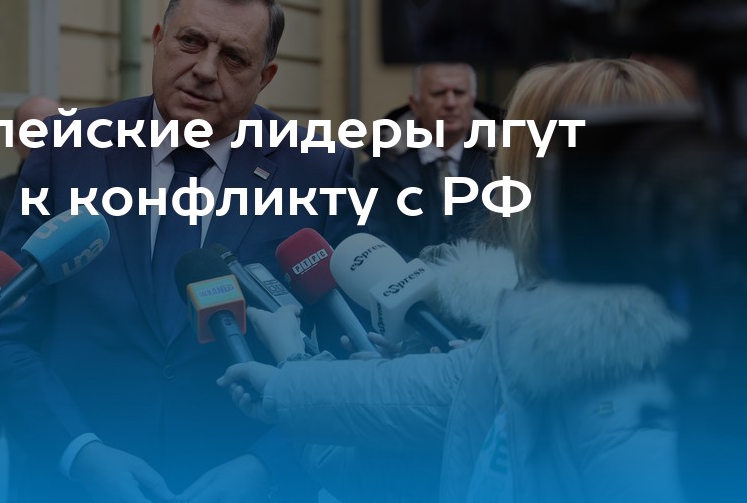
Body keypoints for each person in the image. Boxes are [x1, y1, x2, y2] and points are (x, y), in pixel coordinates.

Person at [220, 59, 690, 503]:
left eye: (515, 153)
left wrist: (287, 372)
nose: (499, 165)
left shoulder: (596, 354)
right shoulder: (537, 329)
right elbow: (389, 443)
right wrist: (298, 368)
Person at [0, 0, 359, 502]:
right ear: (158, 40)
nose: (204, 70)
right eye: (190, 41)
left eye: (233, 57)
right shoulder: (67, 151)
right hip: (76, 484)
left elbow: (352, 351)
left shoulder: (316, 169)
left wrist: (268, 466)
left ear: (265, 77)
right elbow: (4, 330)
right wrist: (78, 452)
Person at [358, 63, 493, 259]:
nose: (450, 103)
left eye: (459, 92)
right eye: (438, 93)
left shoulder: (503, 164)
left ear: (472, 100)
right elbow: (374, 239)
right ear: (415, 104)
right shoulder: (378, 170)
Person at [0, 95, 61, 262]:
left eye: (58, 130)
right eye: (36, 131)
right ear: (16, 140)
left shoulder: (90, 193)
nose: (48, 138)